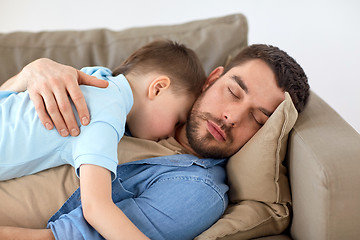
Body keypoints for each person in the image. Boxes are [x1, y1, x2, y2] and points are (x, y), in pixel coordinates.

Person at [0, 44, 310, 240]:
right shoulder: (136, 106)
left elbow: (68, 236)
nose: (232, 116)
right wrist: (30, 74)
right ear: (213, 79)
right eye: (233, 92)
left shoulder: (196, 188)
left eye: (258, 119)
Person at [0, 40, 207, 239]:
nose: (171, 134)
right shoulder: (107, 114)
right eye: (178, 119)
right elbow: (96, 208)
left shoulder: (94, 76)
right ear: (158, 88)